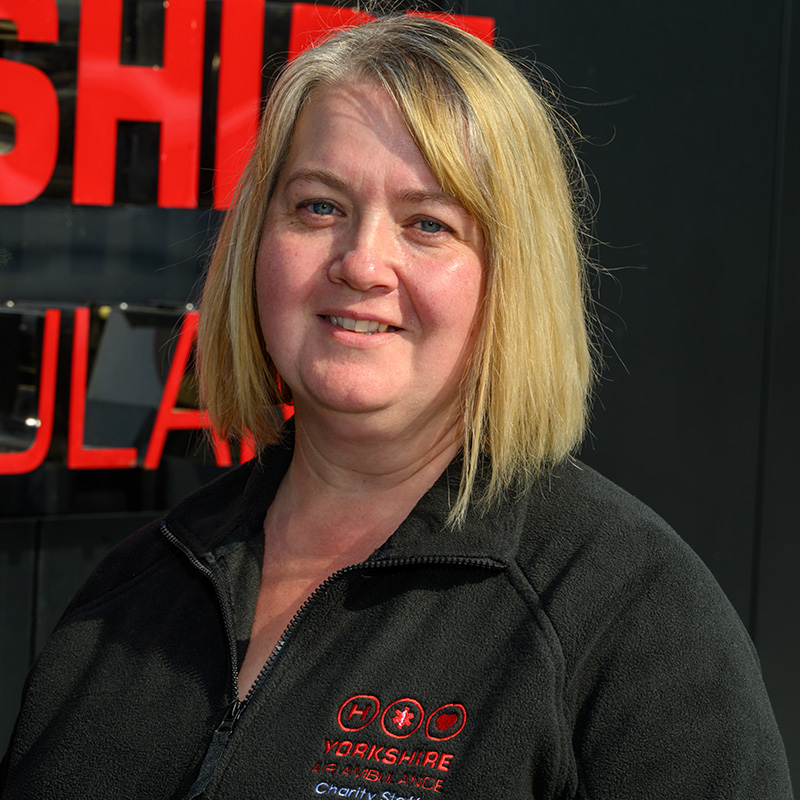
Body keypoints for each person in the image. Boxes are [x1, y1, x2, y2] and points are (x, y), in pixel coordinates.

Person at [1, 15, 792, 800]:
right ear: (256, 240)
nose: (360, 262)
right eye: (318, 207)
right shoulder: (135, 586)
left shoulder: (627, 614)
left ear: (511, 280)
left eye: (427, 224)